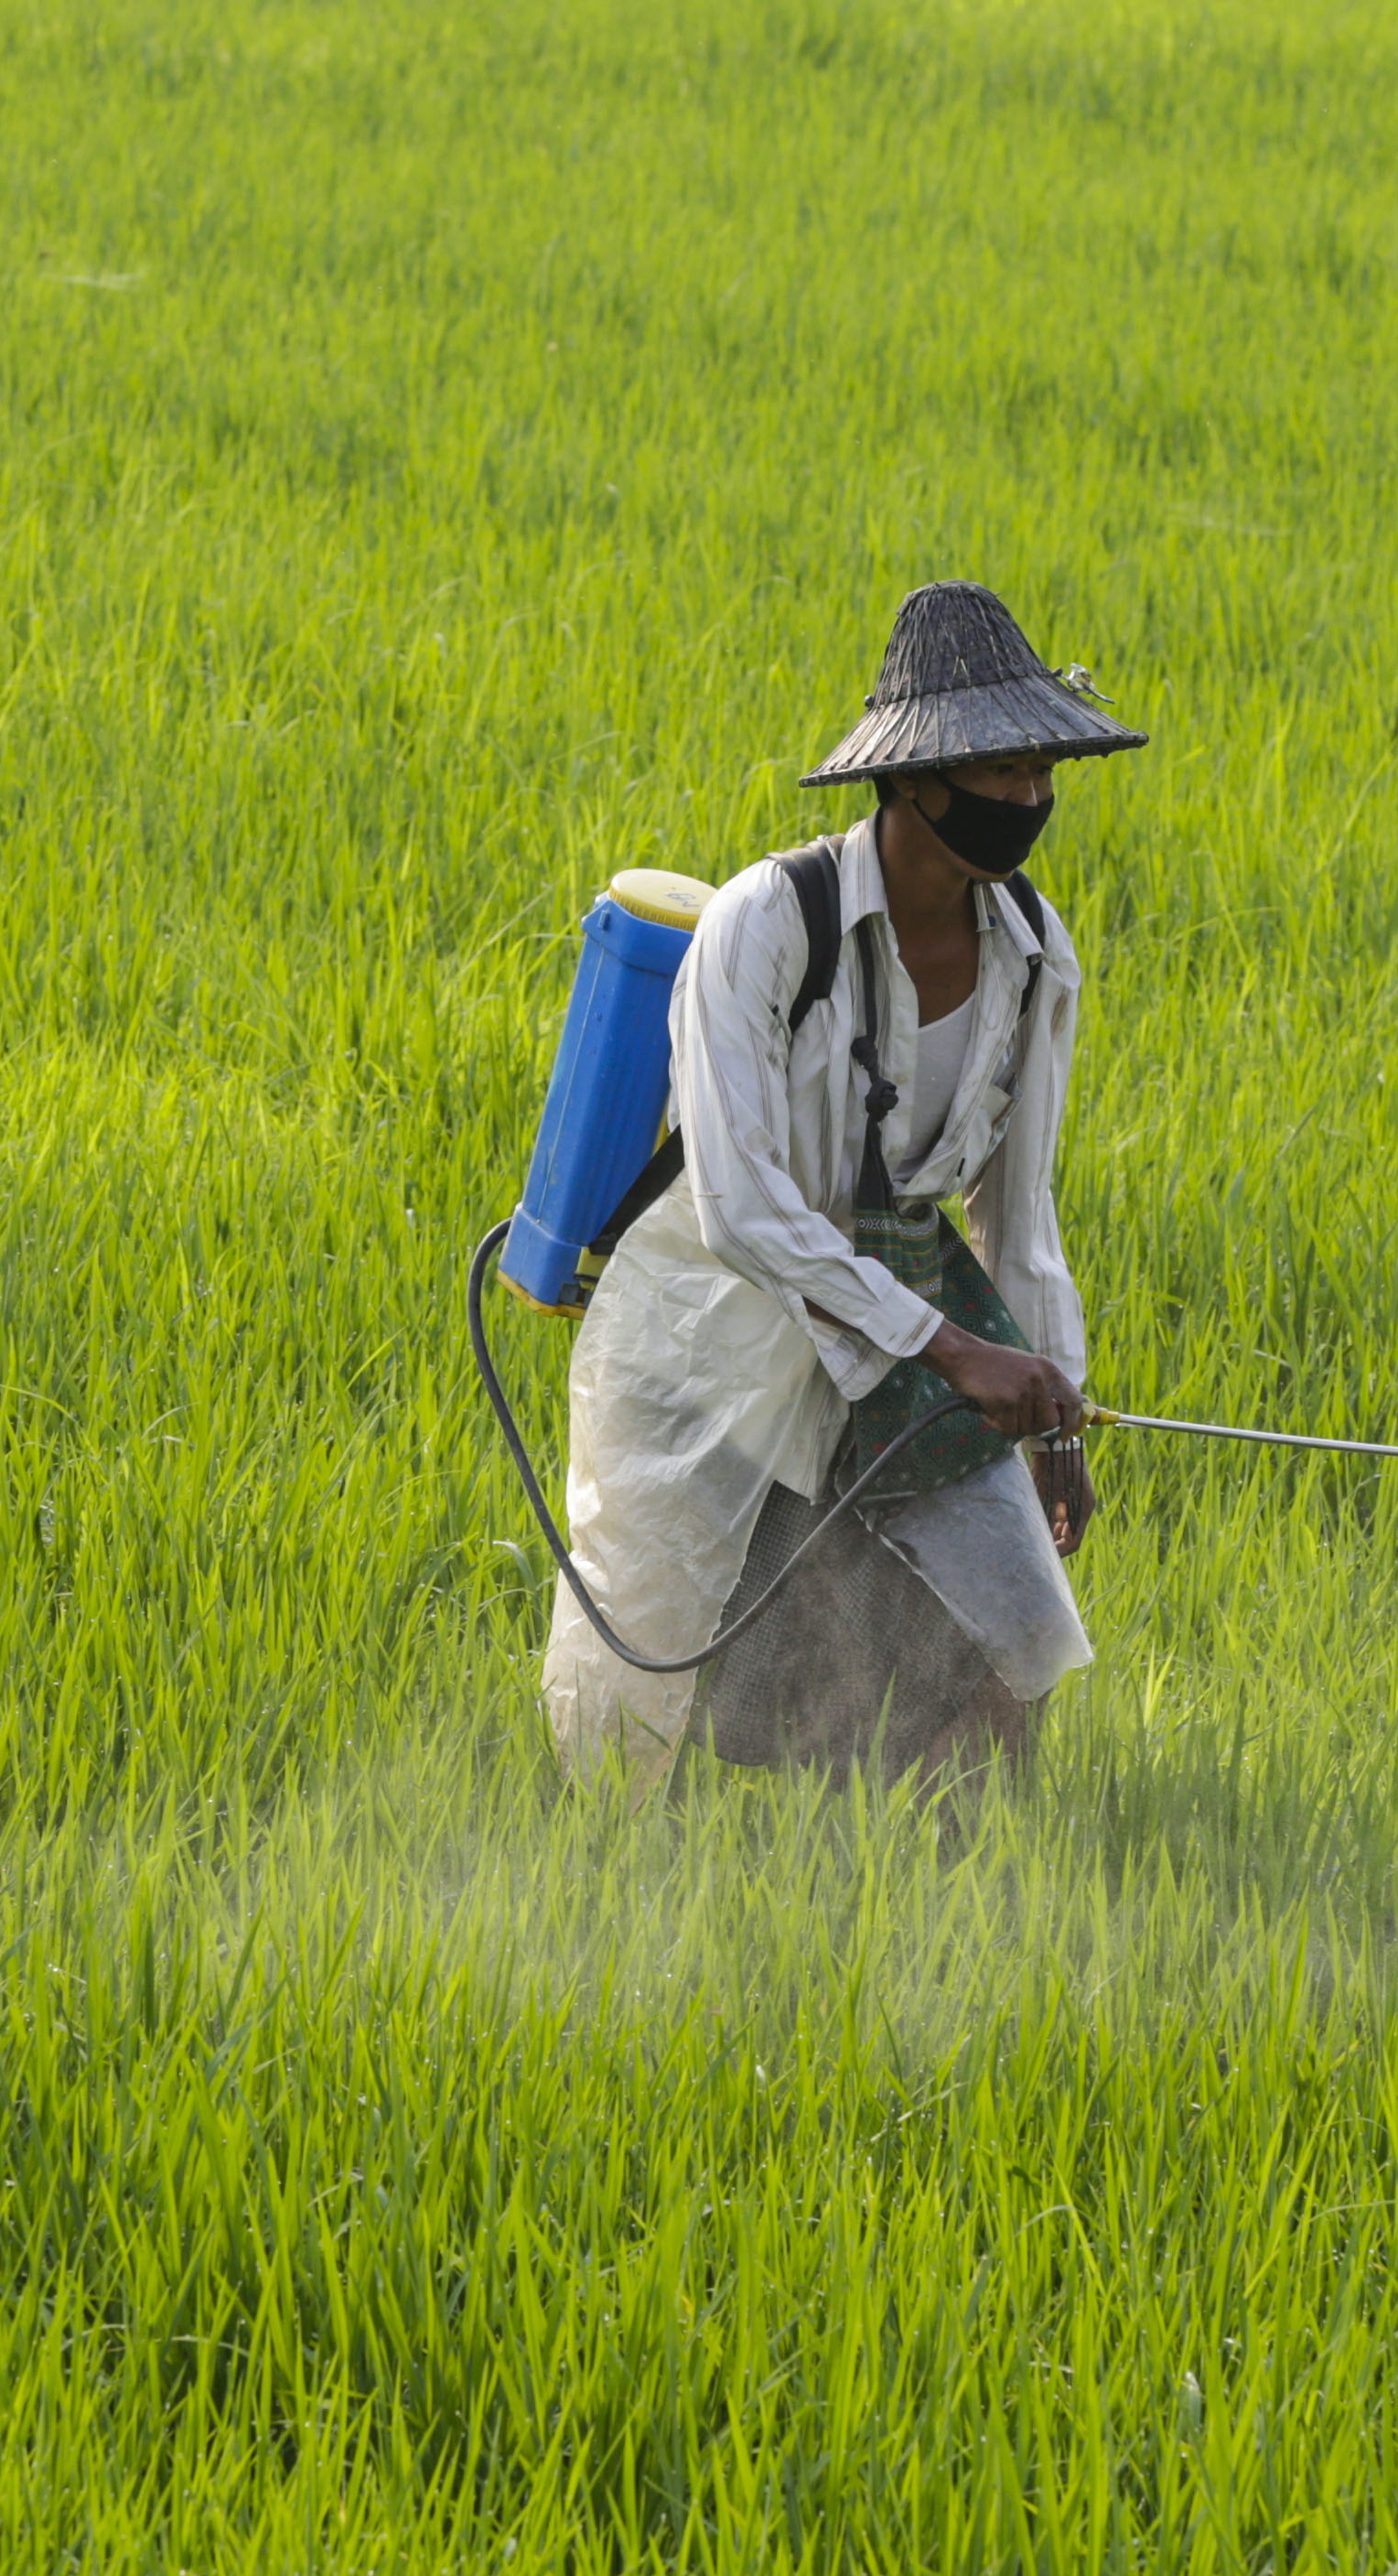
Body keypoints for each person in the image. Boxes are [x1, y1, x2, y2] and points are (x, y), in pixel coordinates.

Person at [542, 580, 1141, 1791]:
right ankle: (668, 1874)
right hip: (709, 1321)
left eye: (1045, 769)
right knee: (653, 1684)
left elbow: (1018, 1216)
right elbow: (742, 1207)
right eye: (1005, 767)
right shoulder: (766, 924)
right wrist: (954, 1351)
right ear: (915, 779)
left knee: (1006, 1643)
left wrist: (1054, 1388)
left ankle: (973, 1921)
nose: (1032, 798)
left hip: (905, 1304)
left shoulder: (1034, 951)